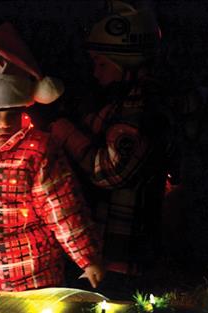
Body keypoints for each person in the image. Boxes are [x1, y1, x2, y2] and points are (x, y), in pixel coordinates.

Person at [0, 23, 105, 292]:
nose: (4, 124)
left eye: (11, 114)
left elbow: (64, 209)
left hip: (32, 283)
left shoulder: (36, 152)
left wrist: (88, 258)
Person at [50, 1, 174, 292]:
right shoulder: (118, 101)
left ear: (125, 62)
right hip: (109, 251)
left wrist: (64, 131)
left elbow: (111, 171)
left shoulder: (142, 106)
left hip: (124, 252)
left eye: (101, 63)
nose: (95, 71)